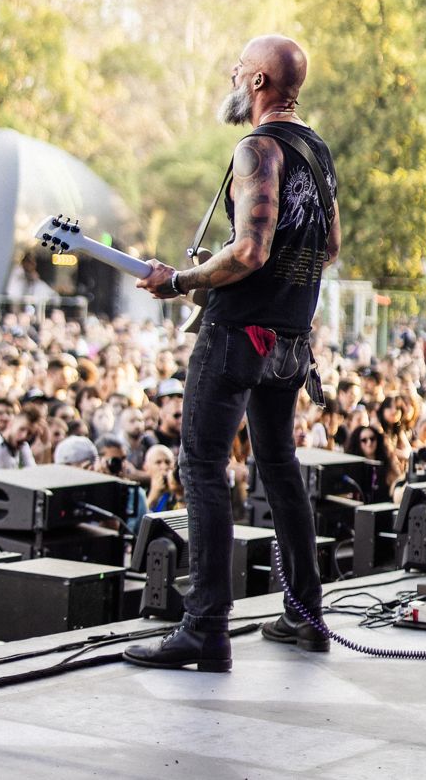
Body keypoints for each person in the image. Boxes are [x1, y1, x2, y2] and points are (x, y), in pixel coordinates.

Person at [125, 34, 340, 672]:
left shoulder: (257, 150)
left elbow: (249, 251)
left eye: (239, 66)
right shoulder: (318, 151)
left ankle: (206, 627)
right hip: (291, 340)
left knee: (203, 468)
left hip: (238, 334)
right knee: (278, 466)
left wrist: (182, 281)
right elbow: (327, 248)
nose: (230, 71)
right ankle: (306, 614)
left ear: (258, 84)